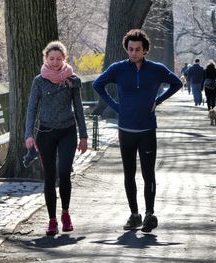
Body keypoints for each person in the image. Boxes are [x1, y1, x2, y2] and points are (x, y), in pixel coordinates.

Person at [92, 29, 182, 232]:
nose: (133, 53)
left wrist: (158, 100)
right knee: (129, 173)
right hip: (125, 129)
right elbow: (98, 84)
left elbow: (176, 83)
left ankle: (150, 214)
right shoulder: (118, 68)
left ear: (145, 50)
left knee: (148, 174)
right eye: (130, 49)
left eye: (137, 49)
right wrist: (115, 107)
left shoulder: (156, 69)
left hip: (147, 129)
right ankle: (135, 215)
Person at [25, 41, 88, 236]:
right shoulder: (39, 81)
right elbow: (31, 109)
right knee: (50, 176)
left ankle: (66, 214)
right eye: (51, 58)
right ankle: (52, 220)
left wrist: (84, 136)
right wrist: (28, 135)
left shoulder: (72, 80)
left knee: (64, 172)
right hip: (45, 134)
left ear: (65, 59)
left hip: (68, 131)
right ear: (46, 58)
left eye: (59, 59)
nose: (55, 62)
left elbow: (78, 108)